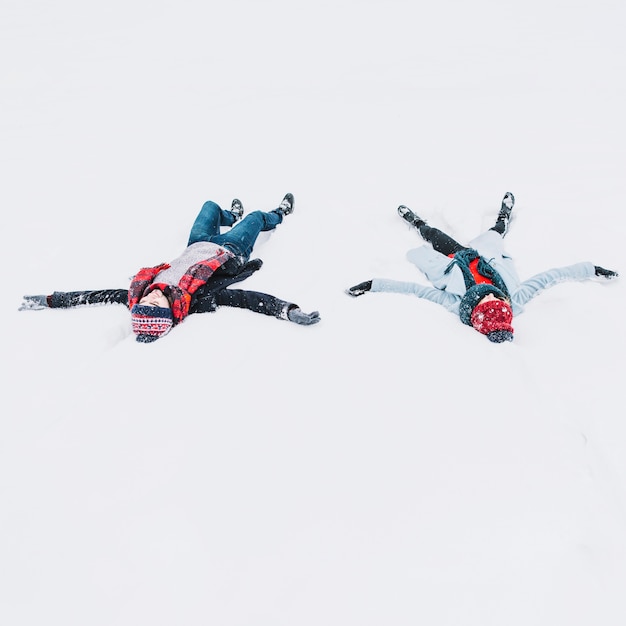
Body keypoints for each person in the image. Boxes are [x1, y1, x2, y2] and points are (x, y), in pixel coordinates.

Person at [20, 193, 321, 342]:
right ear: (169, 311)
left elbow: (97, 295)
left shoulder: (139, 293)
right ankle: (279, 214)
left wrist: (51, 300)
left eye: (143, 303)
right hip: (229, 250)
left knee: (210, 207)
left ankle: (230, 214)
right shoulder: (198, 299)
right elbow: (249, 300)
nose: (149, 296)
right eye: (154, 303)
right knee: (256, 217)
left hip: (196, 244)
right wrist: (288, 310)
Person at [346, 192, 618, 343]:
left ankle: (417, 223)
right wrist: (590, 268)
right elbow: (552, 276)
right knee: (496, 233)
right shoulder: (515, 298)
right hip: (487, 257)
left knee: (434, 235)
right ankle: (504, 216)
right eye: (495, 299)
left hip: (456, 258)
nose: (490, 294)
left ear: (475, 311)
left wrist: (373, 285)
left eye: (486, 301)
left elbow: (415, 291)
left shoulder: (455, 302)